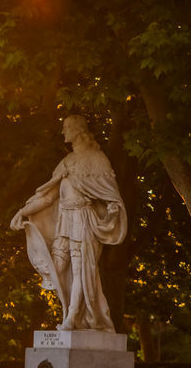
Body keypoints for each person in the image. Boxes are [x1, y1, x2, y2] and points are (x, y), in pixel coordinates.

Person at [10, 115, 127, 331]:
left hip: (83, 219)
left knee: (81, 270)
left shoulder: (97, 158)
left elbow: (111, 194)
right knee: (59, 266)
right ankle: (70, 312)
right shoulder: (66, 162)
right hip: (65, 220)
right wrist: (22, 211)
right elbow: (47, 197)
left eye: (66, 128)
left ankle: (73, 316)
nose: (63, 133)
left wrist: (111, 209)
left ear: (78, 129)